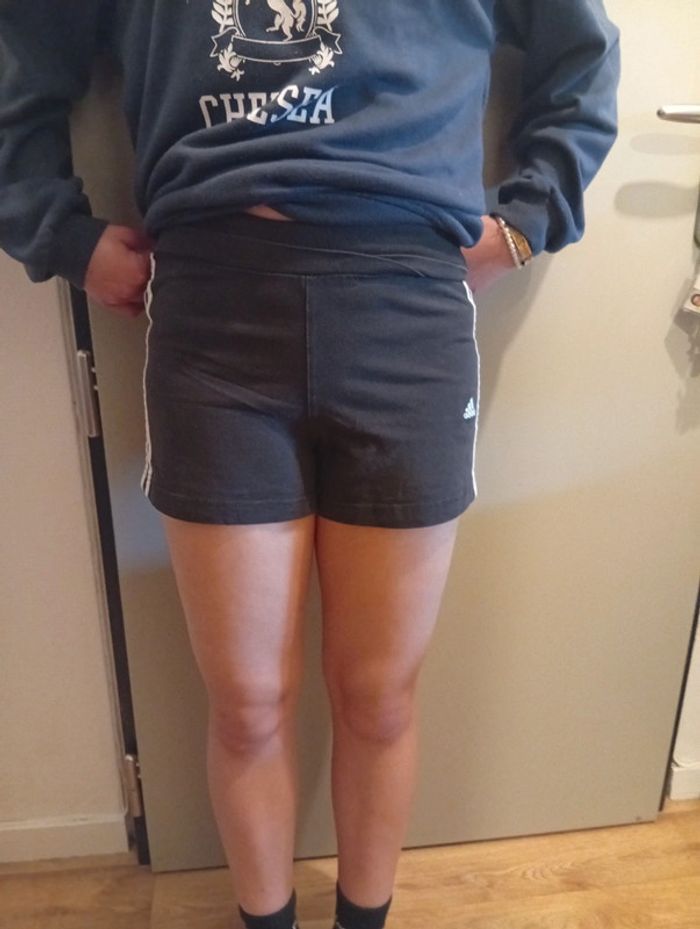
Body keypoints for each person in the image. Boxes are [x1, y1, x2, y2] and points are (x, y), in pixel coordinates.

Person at [0, 2, 621, 928]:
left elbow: (585, 58)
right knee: (246, 703)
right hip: (213, 315)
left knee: (378, 696)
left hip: (407, 309)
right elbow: (18, 59)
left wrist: (527, 220)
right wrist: (63, 235)